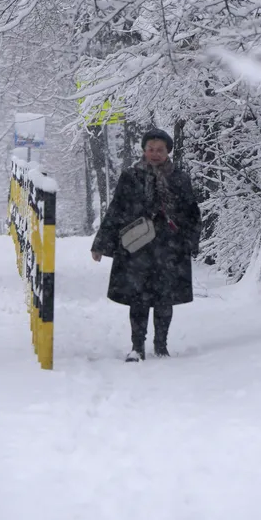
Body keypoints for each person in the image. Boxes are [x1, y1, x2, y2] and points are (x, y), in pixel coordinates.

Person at [90, 128, 202, 361]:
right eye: (150, 149)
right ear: (143, 150)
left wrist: (190, 240)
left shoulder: (179, 178)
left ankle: (161, 346)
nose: (154, 154)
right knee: (138, 299)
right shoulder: (131, 176)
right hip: (137, 247)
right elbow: (116, 209)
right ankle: (137, 347)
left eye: (159, 150)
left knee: (164, 298)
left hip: (170, 247)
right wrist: (100, 244)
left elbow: (192, 212)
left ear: (168, 152)